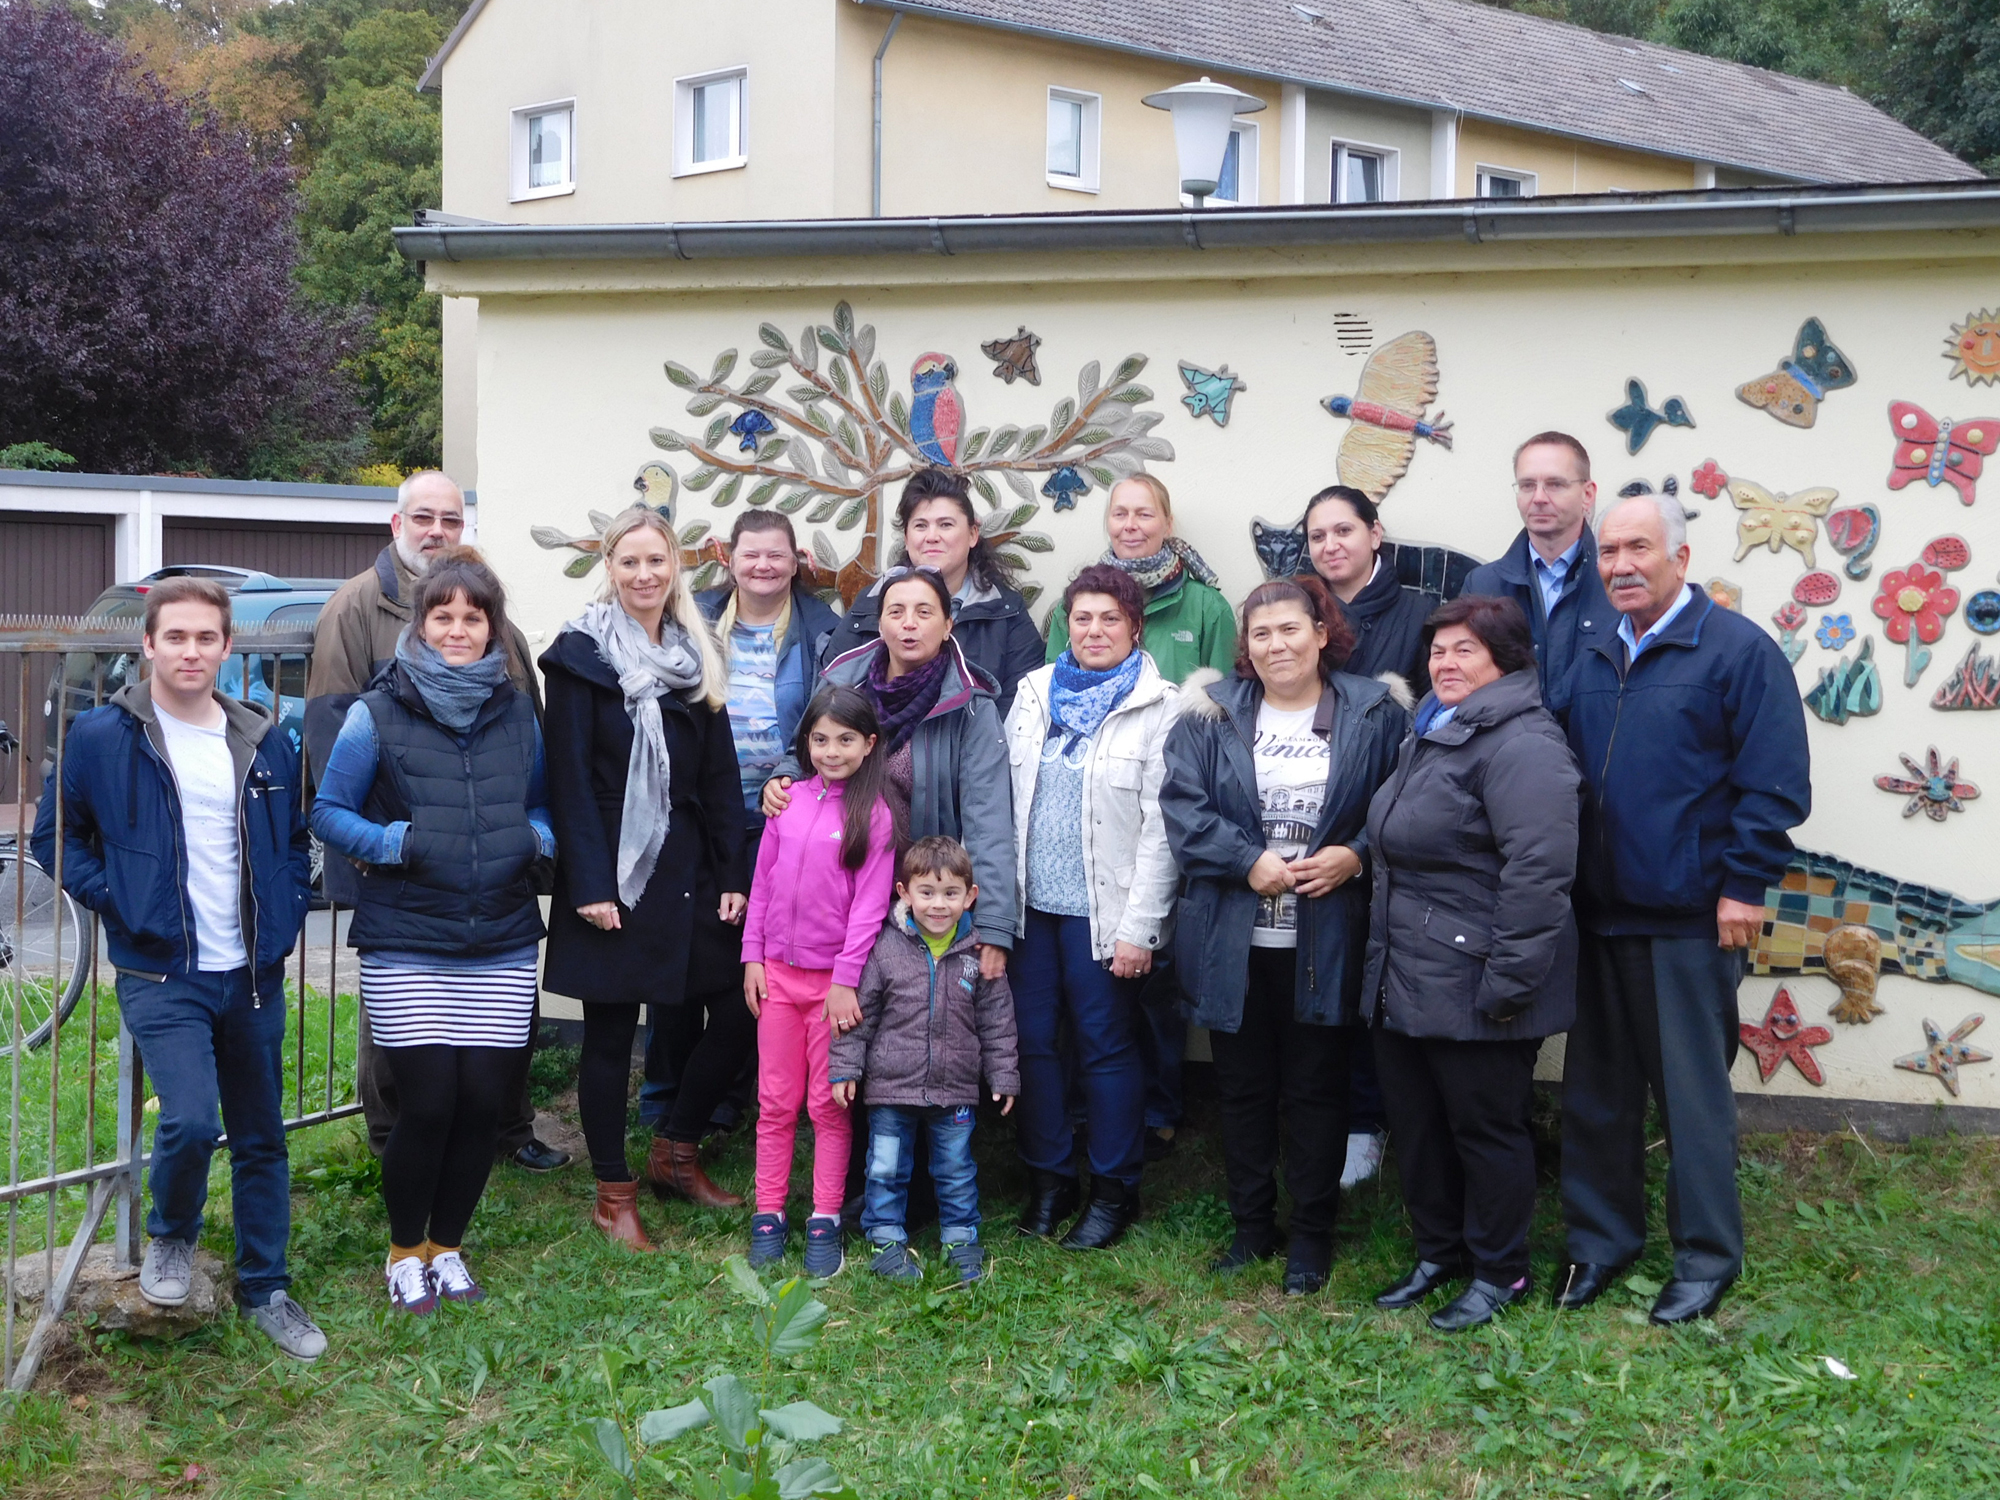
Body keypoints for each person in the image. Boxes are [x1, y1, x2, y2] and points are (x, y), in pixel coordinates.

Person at [34, 576, 324, 1359]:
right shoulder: (103, 736)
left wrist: (290, 911)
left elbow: (296, 844)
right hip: (164, 972)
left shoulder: (264, 738)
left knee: (262, 1137)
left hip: (252, 971)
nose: (191, 651)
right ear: (149, 645)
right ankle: (171, 1235)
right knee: (193, 1119)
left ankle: (268, 1288)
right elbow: (55, 838)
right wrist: (121, 903)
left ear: (227, 647)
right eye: (176, 637)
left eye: (206, 638)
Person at [1555, 489, 1809, 1325]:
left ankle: (1706, 1258)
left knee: (1692, 1100)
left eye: (1638, 549)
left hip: (1690, 918)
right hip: (1597, 914)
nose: (1621, 566)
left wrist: (1743, 884)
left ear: (1681, 558)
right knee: (1595, 1095)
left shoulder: (1736, 651)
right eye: (1609, 553)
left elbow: (1773, 785)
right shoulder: (1589, 651)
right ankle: (1600, 1242)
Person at [309, 549, 553, 1313]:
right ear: (421, 623)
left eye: (471, 617)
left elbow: (542, 806)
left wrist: (535, 842)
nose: (457, 629)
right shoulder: (375, 713)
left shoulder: (516, 711)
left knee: (483, 1106)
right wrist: (396, 843)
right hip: (410, 941)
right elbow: (328, 812)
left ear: (491, 627)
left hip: (502, 938)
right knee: (430, 1105)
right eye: (442, 615)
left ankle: (448, 1247)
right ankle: (403, 1250)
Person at [304, 470, 566, 1175]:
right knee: (399, 1019)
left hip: (489, 863)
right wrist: (376, 843)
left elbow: (527, 735)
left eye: (451, 520)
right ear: (397, 525)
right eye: (423, 518)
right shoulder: (355, 608)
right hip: (394, 858)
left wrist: (532, 839)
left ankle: (506, 1130)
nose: (437, 531)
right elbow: (332, 731)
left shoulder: (493, 620)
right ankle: (394, 1140)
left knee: (500, 1006)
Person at [1160, 577, 1406, 1296]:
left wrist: (1357, 852)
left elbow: (1401, 800)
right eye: (1261, 634)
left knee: (1316, 1090)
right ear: (1247, 647)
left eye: (1291, 630)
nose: (1277, 645)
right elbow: (1183, 810)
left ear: (1322, 633)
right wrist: (1247, 861)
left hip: (1324, 940)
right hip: (1233, 940)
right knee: (1241, 1089)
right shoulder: (1210, 715)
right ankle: (1250, 1227)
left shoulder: (1373, 712)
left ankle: (1312, 1234)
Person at [765, 565, 1015, 1228]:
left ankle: (929, 1194)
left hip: (927, 902)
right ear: (878, 620)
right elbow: (810, 747)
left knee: (923, 1037)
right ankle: (855, 1188)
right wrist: (782, 779)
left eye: (924, 612)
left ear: (947, 624)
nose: (909, 623)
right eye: (896, 610)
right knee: (859, 1036)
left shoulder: (970, 705)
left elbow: (989, 816)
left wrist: (991, 927)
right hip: (848, 897)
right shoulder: (844, 681)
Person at [1361, 595, 1580, 1332]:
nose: (1445, 663)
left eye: (1464, 651)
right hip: (1408, 972)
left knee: (1486, 1131)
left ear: (1506, 660)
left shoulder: (1524, 743)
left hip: (1479, 979)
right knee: (1418, 1123)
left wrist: (1511, 982)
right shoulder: (1437, 730)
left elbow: (1540, 870)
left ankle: (1499, 1269)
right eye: (1437, 651)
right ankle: (1439, 1251)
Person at [541, 506, 750, 1251]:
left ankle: (676, 1151)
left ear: (675, 568)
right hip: (615, 873)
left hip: (690, 867)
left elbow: (721, 777)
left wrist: (734, 869)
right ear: (610, 567)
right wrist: (591, 883)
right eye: (628, 562)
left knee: (737, 1007)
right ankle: (613, 1193)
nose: (643, 575)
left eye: (655, 561)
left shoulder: (695, 654)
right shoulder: (578, 656)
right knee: (607, 1033)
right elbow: (565, 777)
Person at [1043, 474, 1232, 1159]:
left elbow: (1224, 709)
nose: (1131, 524)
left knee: (1153, 974)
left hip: (1175, 806)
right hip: (1094, 810)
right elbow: (1053, 703)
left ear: (1166, 518)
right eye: (1119, 513)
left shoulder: (1206, 604)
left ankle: (1158, 1107)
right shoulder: (1073, 603)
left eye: (1143, 512)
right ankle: (1084, 1111)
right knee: (1081, 989)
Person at [1005, 564, 1181, 1250]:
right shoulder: (1033, 694)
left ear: (1136, 627)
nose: (1095, 630)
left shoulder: (1158, 706)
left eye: (1110, 618)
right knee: (1036, 1046)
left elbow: (1164, 831)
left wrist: (1141, 928)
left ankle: (1113, 1192)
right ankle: (1050, 1182)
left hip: (1102, 917)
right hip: (1029, 913)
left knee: (1106, 1049)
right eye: (1082, 618)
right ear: (1065, 626)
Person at [651, 511, 842, 1133]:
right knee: (681, 950)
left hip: (777, 815)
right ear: (728, 558)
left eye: (777, 556)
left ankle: (729, 1094)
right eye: (751, 554)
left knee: (748, 959)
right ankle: (664, 1092)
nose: (764, 566)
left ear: (797, 561)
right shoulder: (691, 618)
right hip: (695, 813)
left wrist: (790, 772)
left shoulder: (823, 630)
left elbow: (824, 714)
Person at [741, 686, 898, 1279]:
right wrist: (753, 957)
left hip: (832, 990)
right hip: (777, 979)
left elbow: (868, 910)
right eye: (820, 739)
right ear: (806, 743)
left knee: (828, 1106)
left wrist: (846, 980)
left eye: (845, 740)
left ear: (868, 746)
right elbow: (762, 885)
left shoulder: (873, 815)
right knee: (776, 1103)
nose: (831, 751)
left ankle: (825, 1218)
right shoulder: (786, 804)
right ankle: (769, 1214)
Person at [1300, 483, 1429, 1189]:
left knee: (1371, 986)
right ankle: (1318, 1115)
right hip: (1303, 828)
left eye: (1343, 531)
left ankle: (1366, 1122)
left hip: (1386, 827)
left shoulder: (1417, 617)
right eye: (1317, 536)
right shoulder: (1298, 610)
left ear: (1376, 534)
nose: (1330, 546)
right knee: (1318, 981)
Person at [831, 836, 1021, 1287]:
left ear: (970, 896)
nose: (938, 905)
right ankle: (885, 1241)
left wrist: (1004, 1075)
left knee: (955, 1169)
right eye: (927, 893)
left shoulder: (977, 956)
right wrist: (845, 1068)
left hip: (954, 1088)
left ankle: (960, 1239)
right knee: (885, 1168)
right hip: (891, 1091)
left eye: (951, 893)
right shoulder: (886, 949)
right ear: (904, 893)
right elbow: (859, 1017)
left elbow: (998, 1022)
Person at [819, 469, 1044, 717]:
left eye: (945, 525)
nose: (932, 537)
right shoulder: (869, 605)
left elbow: (1022, 709)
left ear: (972, 535)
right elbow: (828, 702)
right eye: (920, 526)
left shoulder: (1006, 613)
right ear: (906, 538)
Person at [1459, 432, 1614, 709]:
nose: (1539, 498)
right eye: (1528, 485)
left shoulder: (1616, 582)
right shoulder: (1483, 586)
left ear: (1587, 494)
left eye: (1555, 484)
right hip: (1512, 750)